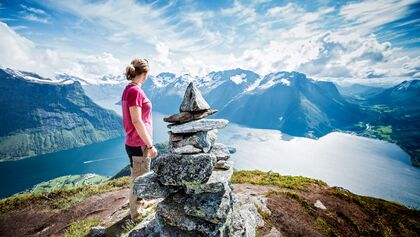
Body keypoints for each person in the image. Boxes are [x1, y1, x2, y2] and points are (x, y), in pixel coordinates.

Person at [121, 58, 158, 220]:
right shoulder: (135, 91)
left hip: (133, 141)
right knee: (139, 179)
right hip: (139, 143)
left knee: (138, 176)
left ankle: (140, 204)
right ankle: (136, 214)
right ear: (145, 73)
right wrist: (150, 145)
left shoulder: (129, 89)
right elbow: (137, 120)